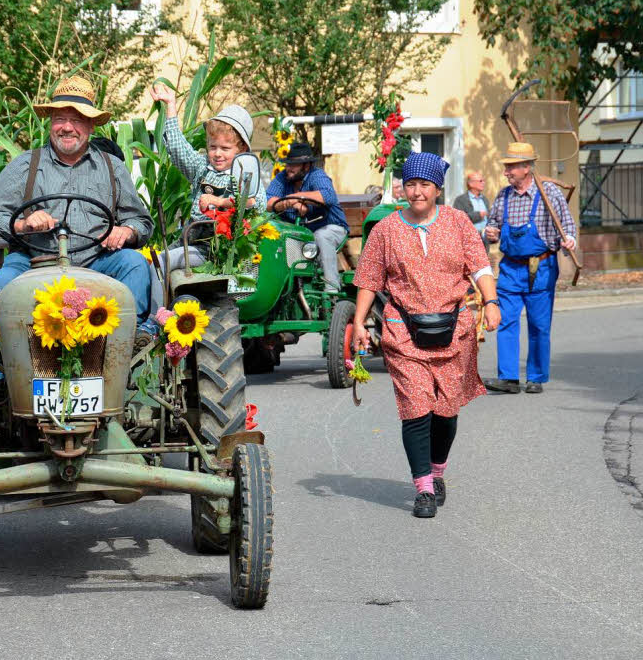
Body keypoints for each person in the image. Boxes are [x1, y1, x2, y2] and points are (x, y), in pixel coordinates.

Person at [352, 152, 500, 518]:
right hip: (403, 332)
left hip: (454, 330)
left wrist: (492, 300)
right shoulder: (386, 229)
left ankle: (437, 471)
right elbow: (369, 280)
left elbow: (479, 265)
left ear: (437, 189)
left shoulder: (458, 222)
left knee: (446, 412)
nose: (417, 192)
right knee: (416, 409)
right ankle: (423, 488)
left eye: (425, 185)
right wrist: (357, 323)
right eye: (411, 184)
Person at [0, 75, 154, 325]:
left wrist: (125, 231)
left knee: (135, 263)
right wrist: (23, 224)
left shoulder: (112, 166)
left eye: (77, 120)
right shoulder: (25, 165)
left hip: (98, 262)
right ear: (50, 123)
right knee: (1, 281)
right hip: (33, 263)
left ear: (92, 126)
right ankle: (7, 361)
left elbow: (141, 221)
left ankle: (127, 346)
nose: (67, 127)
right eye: (60, 119)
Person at [482, 142, 576, 395]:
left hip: (541, 267)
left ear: (526, 168)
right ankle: (509, 378)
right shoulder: (504, 196)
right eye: (507, 167)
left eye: (511, 167)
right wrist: (490, 232)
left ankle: (535, 377)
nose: (506, 172)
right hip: (511, 268)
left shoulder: (549, 194)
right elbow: (492, 226)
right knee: (506, 321)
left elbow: (568, 227)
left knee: (539, 325)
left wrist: (569, 240)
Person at [149, 83, 267, 269]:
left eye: (225, 148)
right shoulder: (202, 167)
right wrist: (171, 105)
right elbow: (178, 148)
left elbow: (256, 203)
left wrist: (219, 202)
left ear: (242, 148)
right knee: (152, 261)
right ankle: (166, 298)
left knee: (162, 263)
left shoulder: (245, 174)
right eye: (213, 147)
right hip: (190, 239)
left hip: (218, 249)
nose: (217, 153)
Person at [266, 142, 349, 293]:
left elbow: (327, 195)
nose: (288, 168)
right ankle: (281, 291)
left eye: (294, 164)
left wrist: (295, 197)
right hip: (299, 234)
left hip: (330, 227)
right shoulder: (282, 178)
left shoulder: (317, 175)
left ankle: (332, 289)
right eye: (288, 164)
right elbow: (267, 201)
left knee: (321, 236)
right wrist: (289, 203)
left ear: (306, 166)